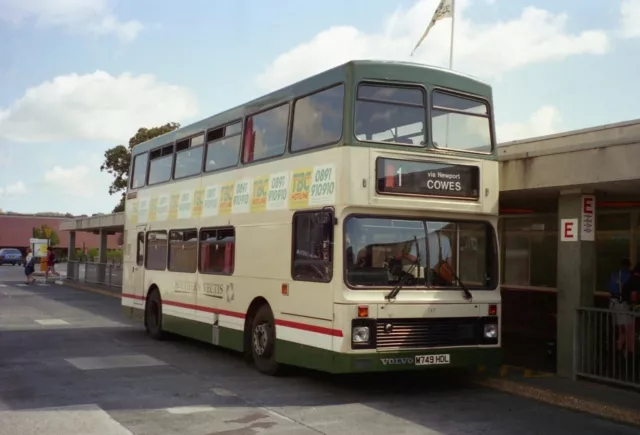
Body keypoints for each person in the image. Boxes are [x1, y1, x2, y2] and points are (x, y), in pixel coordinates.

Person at [607, 259, 633, 354]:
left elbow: (609, 287)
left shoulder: (615, 274)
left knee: (619, 328)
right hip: (622, 304)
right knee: (629, 328)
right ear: (629, 266)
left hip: (612, 303)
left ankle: (617, 349)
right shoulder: (628, 275)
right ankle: (629, 352)